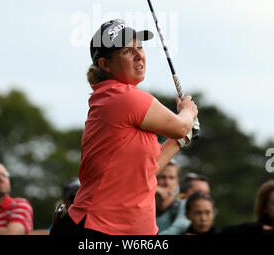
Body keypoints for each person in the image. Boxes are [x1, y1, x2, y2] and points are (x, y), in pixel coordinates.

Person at [50, 19, 198, 235]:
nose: (139, 55)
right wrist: (189, 110)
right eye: (127, 51)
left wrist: (181, 139)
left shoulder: (113, 98)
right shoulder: (123, 96)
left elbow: (148, 168)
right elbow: (180, 125)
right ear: (105, 64)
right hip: (98, 228)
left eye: (139, 47)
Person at [155, 158, 181, 233]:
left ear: (177, 182)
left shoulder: (183, 206)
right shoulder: (142, 205)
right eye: (162, 177)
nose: (167, 182)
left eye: (171, 177)